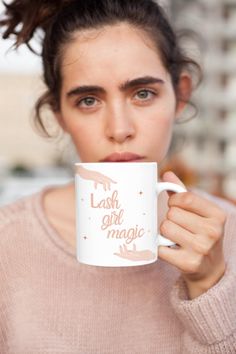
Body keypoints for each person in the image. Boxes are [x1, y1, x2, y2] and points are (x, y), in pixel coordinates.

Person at [0, 0, 235, 353]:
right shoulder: (8, 243)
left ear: (180, 95)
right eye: (88, 101)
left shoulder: (229, 236)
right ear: (60, 115)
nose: (119, 129)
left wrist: (209, 286)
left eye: (143, 94)